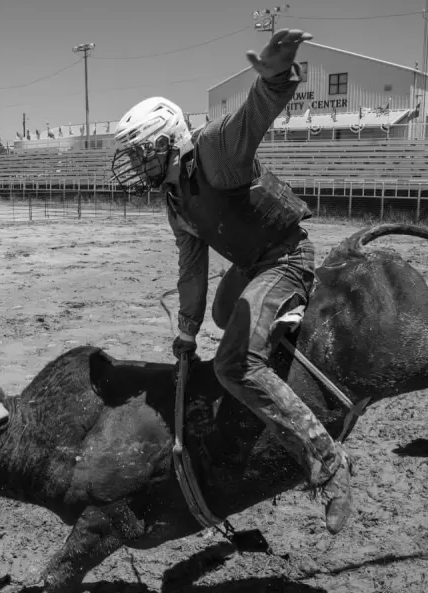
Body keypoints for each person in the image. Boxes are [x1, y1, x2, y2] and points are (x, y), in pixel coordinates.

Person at [111, 29, 353, 535]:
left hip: (286, 256)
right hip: (251, 264)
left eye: (141, 153)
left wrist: (275, 78)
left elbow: (252, 116)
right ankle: (277, 330)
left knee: (234, 363)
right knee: (223, 314)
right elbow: (191, 269)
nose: (135, 165)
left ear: (169, 140)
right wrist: (186, 330)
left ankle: (327, 461)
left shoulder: (215, 151)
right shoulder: (175, 202)